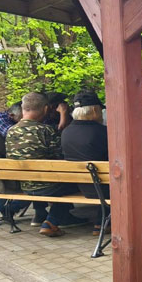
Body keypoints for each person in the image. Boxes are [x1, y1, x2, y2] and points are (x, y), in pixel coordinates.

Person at [0, 93, 87, 236]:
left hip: (24, 185)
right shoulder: (46, 131)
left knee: (49, 187)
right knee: (76, 184)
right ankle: (51, 222)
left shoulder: (10, 131)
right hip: (48, 186)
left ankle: (21, 210)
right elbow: (60, 157)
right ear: (46, 109)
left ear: (23, 108)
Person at [61, 91, 110, 233]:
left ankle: (101, 223)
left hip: (77, 185)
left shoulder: (66, 132)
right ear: (94, 110)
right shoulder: (103, 132)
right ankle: (102, 223)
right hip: (103, 188)